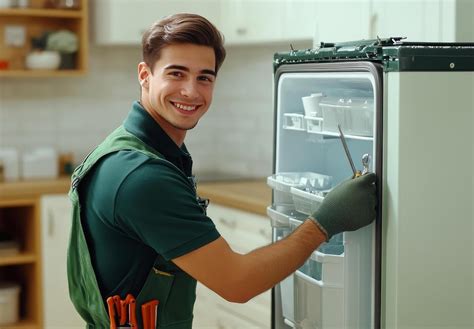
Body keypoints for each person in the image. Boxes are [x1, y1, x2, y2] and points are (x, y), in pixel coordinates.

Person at [67, 13, 377, 329]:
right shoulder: (142, 177)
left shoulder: (139, 148)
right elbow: (236, 282)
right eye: (176, 73)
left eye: (205, 77)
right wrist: (324, 223)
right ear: (145, 75)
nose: (191, 91)